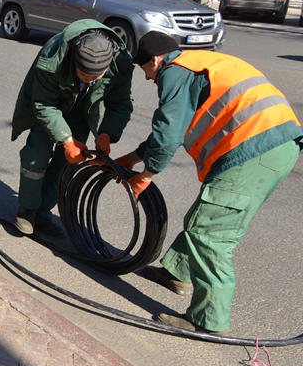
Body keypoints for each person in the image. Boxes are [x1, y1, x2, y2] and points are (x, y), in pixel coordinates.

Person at [119, 32, 302, 335]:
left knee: (209, 233)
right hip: (278, 146)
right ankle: (177, 273)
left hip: (252, 149)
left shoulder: (174, 72)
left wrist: (146, 176)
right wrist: (130, 159)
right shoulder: (199, 63)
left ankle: (207, 321)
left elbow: (168, 133)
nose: (149, 78)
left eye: (145, 70)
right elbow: (172, 129)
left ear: (155, 60)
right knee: (205, 216)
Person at [11, 20, 133, 237]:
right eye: (83, 74)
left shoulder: (121, 61)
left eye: (94, 77)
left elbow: (120, 104)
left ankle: (43, 213)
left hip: (82, 111)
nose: (88, 79)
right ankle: (27, 209)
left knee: (66, 163)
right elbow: (43, 104)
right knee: (36, 157)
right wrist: (66, 140)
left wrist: (106, 134)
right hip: (50, 104)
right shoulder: (53, 56)